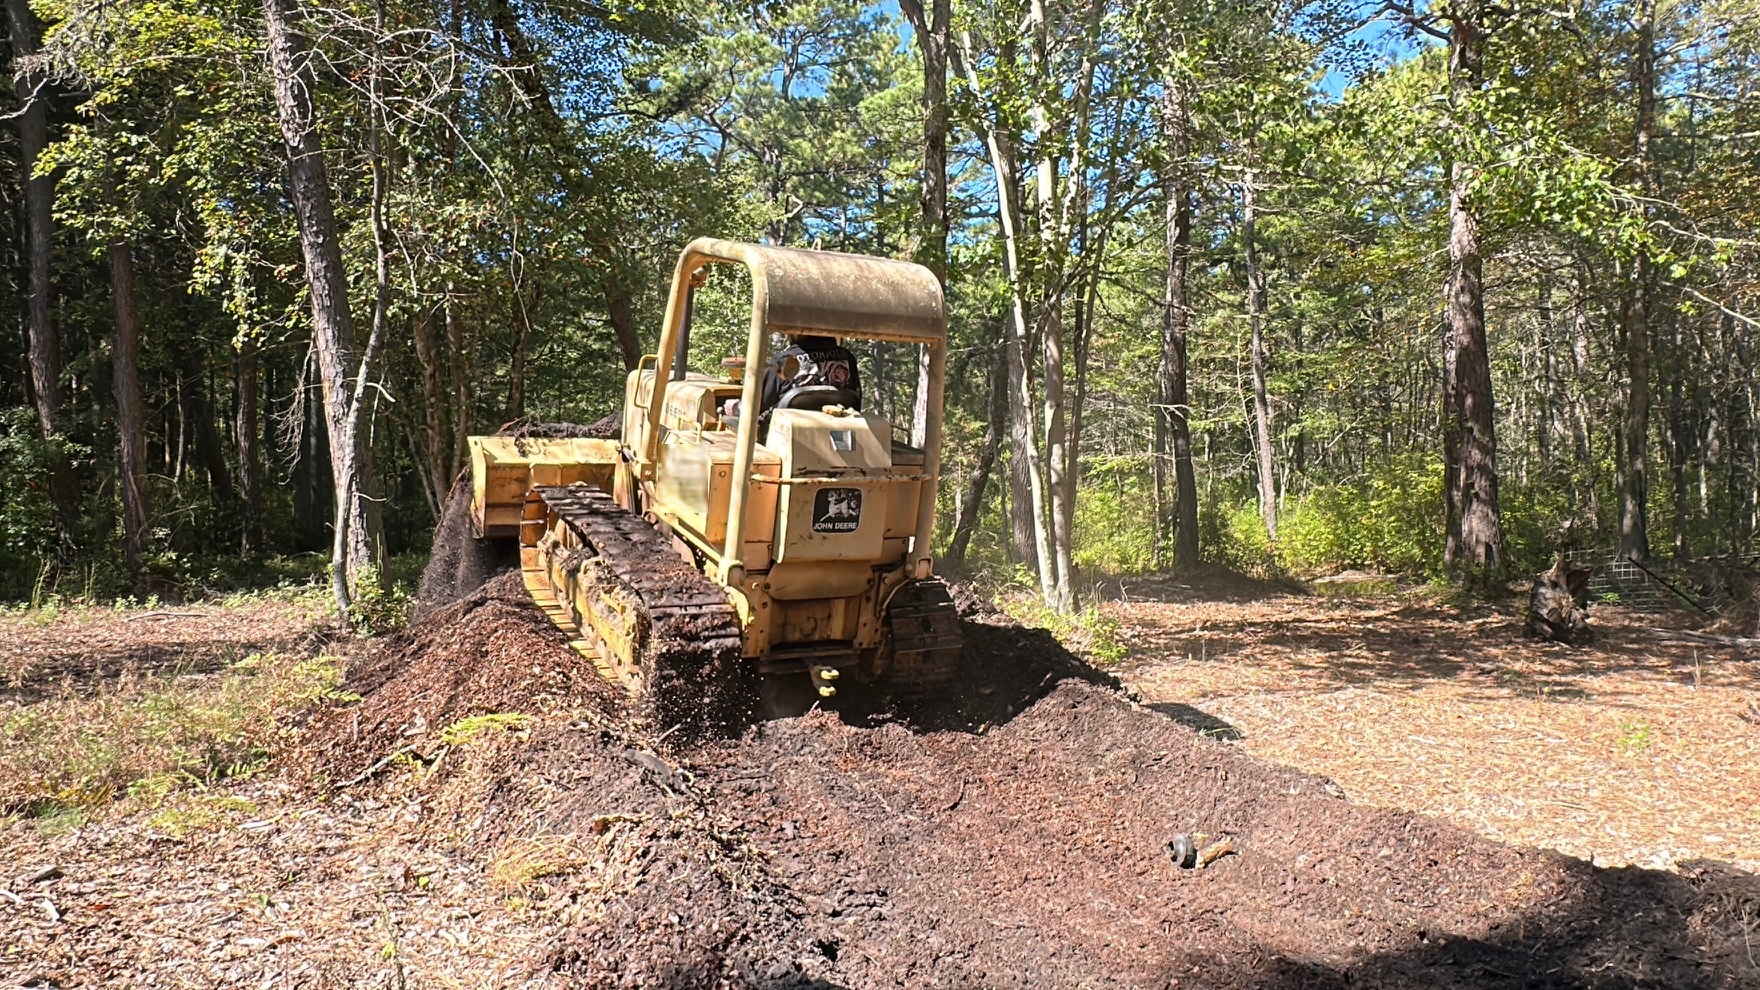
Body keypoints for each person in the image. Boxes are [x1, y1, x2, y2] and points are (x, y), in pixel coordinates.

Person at [758, 332, 862, 424]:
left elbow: (757, 408)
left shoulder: (781, 363)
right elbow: (855, 401)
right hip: (840, 434)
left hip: (790, 436)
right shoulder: (848, 359)